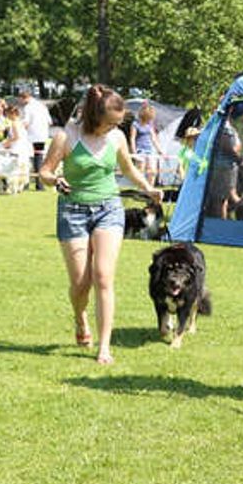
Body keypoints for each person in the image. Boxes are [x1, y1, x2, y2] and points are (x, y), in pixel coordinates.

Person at [38, 84, 162, 364]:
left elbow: (128, 169)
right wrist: (55, 179)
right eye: (111, 122)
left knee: (104, 276)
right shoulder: (65, 137)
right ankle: (80, 318)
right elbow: (44, 171)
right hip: (73, 212)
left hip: (109, 209)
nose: (115, 127)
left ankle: (104, 346)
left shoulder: (116, 137)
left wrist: (148, 188)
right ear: (95, 117)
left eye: (118, 123)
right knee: (81, 284)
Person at [19, 88, 51, 191]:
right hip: (43, 136)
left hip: (31, 137)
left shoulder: (28, 107)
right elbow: (50, 121)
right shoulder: (42, 106)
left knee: (27, 159)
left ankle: (25, 184)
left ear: (24, 98)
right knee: (39, 158)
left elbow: (26, 122)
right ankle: (40, 185)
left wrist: (15, 126)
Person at [128, 102, 165, 186]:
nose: (150, 119)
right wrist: (134, 152)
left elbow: (154, 139)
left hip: (149, 150)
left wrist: (160, 150)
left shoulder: (150, 125)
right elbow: (132, 138)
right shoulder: (135, 124)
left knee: (152, 171)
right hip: (140, 150)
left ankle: (150, 188)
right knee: (140, 169)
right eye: (149, 117)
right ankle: (140, 188)